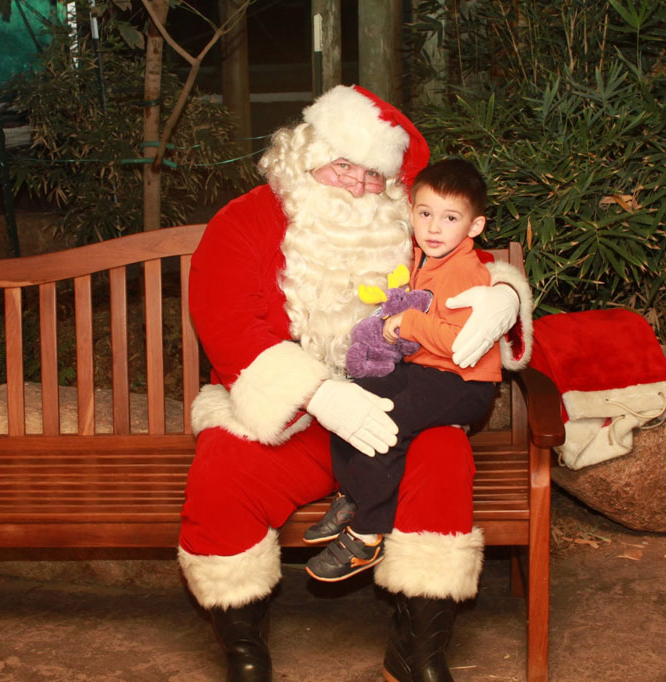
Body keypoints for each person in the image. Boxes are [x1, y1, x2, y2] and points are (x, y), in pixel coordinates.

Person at [179, 85, 533, 682]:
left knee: (443, 458)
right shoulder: (243, 221)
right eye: (343, 165)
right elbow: (228, 326)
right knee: (223, 468)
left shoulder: (400, 221)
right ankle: (243, 649)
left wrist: (505, 297)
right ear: (306, 153)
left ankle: (417, 651)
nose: (356, 185)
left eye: (374, 175)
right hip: (290, 416)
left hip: (396, 411)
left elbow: (459, 261)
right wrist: (318, 393)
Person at [304, 158, 508, 583]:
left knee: (385, 423)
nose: (434, 227)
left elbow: (459, 342)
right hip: (427, 371)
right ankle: (352, 495)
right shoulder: (421, 256)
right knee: (354, 395)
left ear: (474, 227)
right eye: (426, 213)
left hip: (463, 382)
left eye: (450, 218)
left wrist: (408, 323)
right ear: (411, 212)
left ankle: (368, 533)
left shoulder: (466, 272)